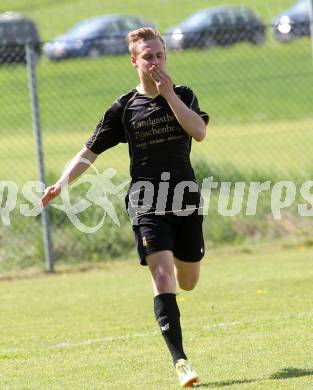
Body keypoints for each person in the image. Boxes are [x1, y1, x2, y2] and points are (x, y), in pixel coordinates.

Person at [40, 27, 209, 387]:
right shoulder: (124, 108)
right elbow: (89, 151)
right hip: (146, 200)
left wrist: (169, 96)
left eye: (160, 55)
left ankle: (181, 280)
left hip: (185, 199)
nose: (155, 62)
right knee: (162, 276)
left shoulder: (183, 94)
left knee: (189, 281)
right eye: (148, 57)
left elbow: (199, 131)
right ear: (134, 61)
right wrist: (61, 183)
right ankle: (181, 362)